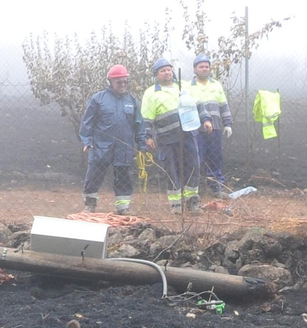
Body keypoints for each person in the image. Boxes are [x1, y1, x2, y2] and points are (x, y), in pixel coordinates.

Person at [79, 64, 144, 214]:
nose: (122, 85)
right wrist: (87, 141)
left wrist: (142, 144)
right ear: (110, 82)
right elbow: (87, 122)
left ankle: (123, 207)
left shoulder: (132, 101)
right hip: (101, 146)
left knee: (123, 177)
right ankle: (90, 204)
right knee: (94, 175)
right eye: (118, 82)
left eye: (124, 82)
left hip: (124, 148)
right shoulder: (98, 99)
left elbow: (139, 124)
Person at [142, 58, 198, 210]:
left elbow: (196, 104)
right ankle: (176, 205)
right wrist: (147, 136)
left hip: (188, 135)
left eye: (169, 69)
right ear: (156, 74)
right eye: (163, 70)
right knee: (171, 170)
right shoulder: (151, 93)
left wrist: (205, 119)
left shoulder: (183, 86)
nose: (167, 72)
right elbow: (146, 118)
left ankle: (191, 201)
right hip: (166, 138)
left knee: (192, 166)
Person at [185, 55, 234, 194]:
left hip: (216, 129)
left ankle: (216, 188)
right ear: (195, 69)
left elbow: (223, 105)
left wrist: (227, 123)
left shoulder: (216, 85)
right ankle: (194, 190)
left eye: (207, 66)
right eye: (201, 66)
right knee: (196, 159)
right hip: (196, 130)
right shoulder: (188, 86)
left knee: (215, 158)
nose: (204, 69)